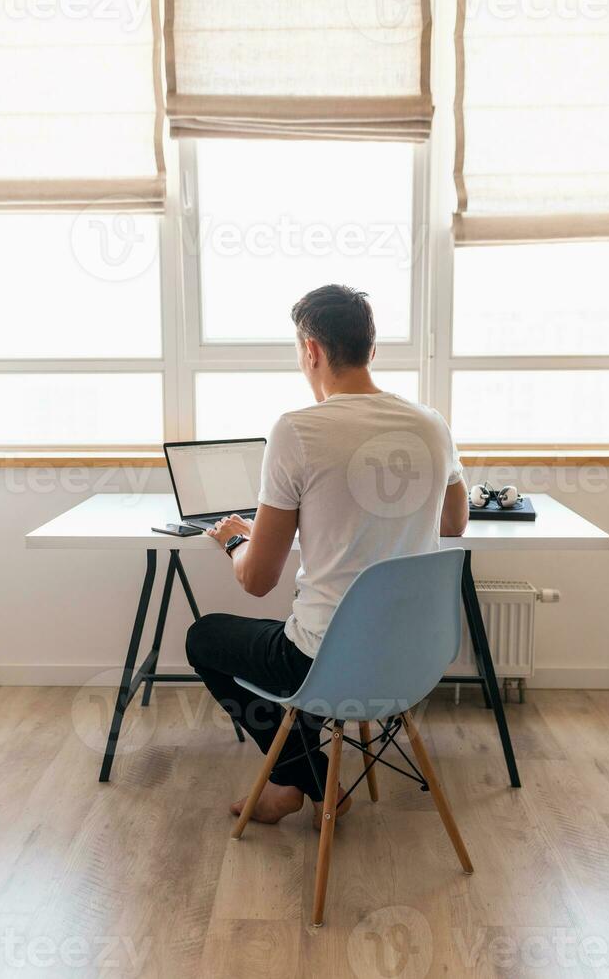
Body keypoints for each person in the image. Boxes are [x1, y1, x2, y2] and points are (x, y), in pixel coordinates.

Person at [186, 284, 468, 827]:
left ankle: (305, 782)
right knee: (315, 634)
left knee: (206, 638)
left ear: (311, 350)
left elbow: (258, 580)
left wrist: (233, 540)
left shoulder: (297, 431)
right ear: (372, 348)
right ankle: (302, 780)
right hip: (414, 659)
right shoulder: (432, 423)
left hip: (324, 661)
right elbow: (454, 522)